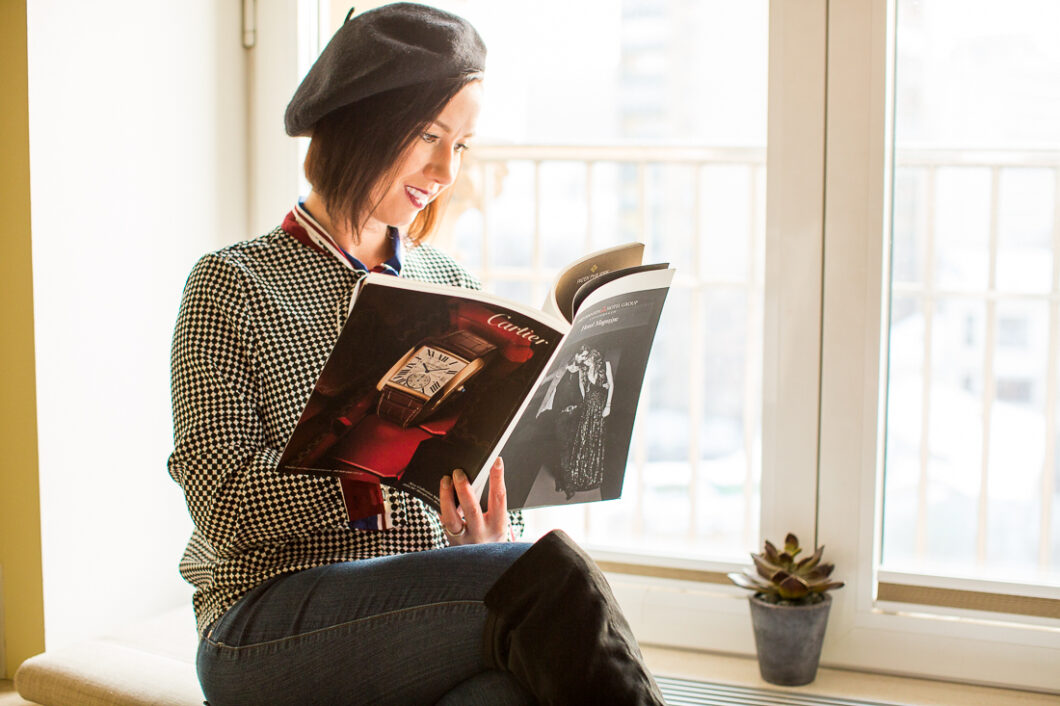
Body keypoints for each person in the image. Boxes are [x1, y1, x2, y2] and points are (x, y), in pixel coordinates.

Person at [168, 4, 664, 704]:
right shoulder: (233, 283)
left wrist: (488, 529)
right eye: (430, 134)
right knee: (558, 579)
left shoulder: (451, 286)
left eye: (461, 145)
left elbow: (485, 477)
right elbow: (222, 505)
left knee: (505, 697)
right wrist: (372, 472)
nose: (444, 168)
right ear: (362, 121)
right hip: (263, 622)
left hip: (412, 615)